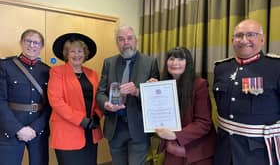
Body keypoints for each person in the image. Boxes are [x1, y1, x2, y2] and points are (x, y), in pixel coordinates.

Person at [213, 19, 280, 165]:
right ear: (232, 40)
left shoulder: (275, 67)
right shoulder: (221, 68)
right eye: (239, 36)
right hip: (224, 147)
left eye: (251, 34)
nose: (244, 40)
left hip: (258, 151)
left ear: (262, 39)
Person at [96, 25, 160, 165]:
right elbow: (100, 92)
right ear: (117, 43)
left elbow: (155, 98)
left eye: (129, 38)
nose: (126, 42)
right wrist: (106, 104)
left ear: (136, 41)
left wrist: (137, 91)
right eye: (121, 39)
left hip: (139, 127)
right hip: (115, 127)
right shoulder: (109, 63)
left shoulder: (150, 63)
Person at [151, 47, 216, 165]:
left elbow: (203, 123)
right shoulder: (163, 86)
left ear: (188, 63)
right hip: (172, 150)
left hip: (196, 152)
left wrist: (175, 135)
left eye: (180, 59)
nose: (175, 63)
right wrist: (151, 90)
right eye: (171, 59)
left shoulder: (199, 85)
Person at [47, 33, 103, 165]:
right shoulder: (57, 72)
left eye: (80, 51)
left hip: (90, 131)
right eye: (72, 51)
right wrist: (81, 120)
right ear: (66, 54)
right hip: (67, 132)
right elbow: (56, 101)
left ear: (85, 53)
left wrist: (97, 115)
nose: (76, 55)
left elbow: (99, 96)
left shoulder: (92, 73)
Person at [0, 29, 50, 165]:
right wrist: (17, 129)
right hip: (10, 129)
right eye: (28, 41)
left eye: (36, 43)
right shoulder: (5, 66)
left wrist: (36, 128)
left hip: (38, 130)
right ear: (21, 43)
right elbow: (1, 101)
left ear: (41, 47)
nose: (32, 45)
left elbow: (50, 105)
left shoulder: (47, 71)